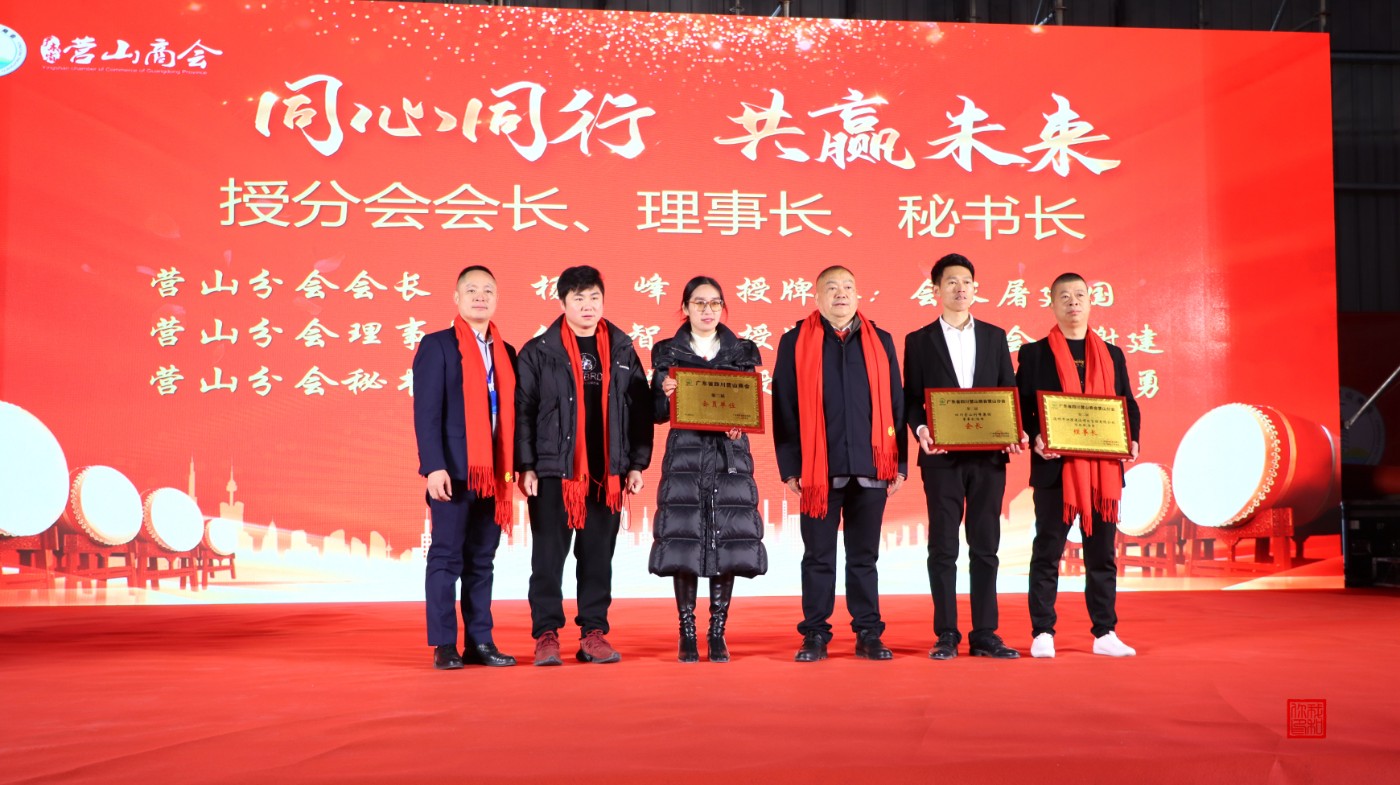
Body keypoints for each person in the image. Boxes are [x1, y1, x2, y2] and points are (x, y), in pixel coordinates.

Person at [516, 265, 654, 666]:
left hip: (605, 473)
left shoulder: (623, 348)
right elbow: (523, 411)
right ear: (562, 302)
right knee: (547, 559)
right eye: (578, 298)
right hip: (553, 472)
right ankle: (546, 634)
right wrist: (526, 466)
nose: (588, 306)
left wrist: (636, 464)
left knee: (597, 558)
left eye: (594, 297)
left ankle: (593, 633)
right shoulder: (539, 351)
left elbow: (640, 411)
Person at [772, 265, 907, 663]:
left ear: (858, 294)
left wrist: (899, 463)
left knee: (864, 557)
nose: (841, 294)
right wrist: (790, 466)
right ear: (816, 297)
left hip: (870, 467)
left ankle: (868, 632)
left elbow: (896, 404)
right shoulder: (795, 341)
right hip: (818, 471)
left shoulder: (880, 341)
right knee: (818, 557)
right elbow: (784, 406)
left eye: (848, 286)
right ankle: (815, 634)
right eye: (831, 288)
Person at [903, 254, 1024, 661]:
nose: (960, 288)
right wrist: (922, 431)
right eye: (951, 281)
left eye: (966, 281)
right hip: (941, 459)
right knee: (943, 548)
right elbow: (911, 399)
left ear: (975, 288)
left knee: (985, 546)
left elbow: (1007, 391)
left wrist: (1014, 431)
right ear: (936, 290)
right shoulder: (919, 341)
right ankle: (947, 633)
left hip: (988, 458)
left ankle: (985, 632)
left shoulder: (994, 336)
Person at [1016, 272, 1142, 658]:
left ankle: (1105, 632)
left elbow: (1127, 404)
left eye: (1079, 296)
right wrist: (1036, 436)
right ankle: (1042, 631)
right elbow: (1021, 406)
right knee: (1047, 551)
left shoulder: (1112, 354)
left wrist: (1132, 438)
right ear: (1052, 303)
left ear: (1090, 301)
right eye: (1064, 296)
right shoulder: (1034, 354)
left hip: (1103, 472)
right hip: (1056, 471)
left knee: (1102, 555)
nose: (1073, 302)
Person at [650, 276, 767, 663]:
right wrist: (663, 394)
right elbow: (655, 413)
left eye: (715, 303)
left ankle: (717, 631)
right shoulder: (666, 352)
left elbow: (748, 408)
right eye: (699, 303)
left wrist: (741, 425)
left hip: (727, 456)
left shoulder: (742, 351)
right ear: (685, 307)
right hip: (684, 455)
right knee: (684, 539)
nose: (707, 310)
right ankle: (686, 631)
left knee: (725, 538)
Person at [412, 265, 518, 670]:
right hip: (453, 473)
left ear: (497, 299)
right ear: (457, 298)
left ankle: (480, 641)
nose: (480, 297)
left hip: (494, 474)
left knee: (482, 560)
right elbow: (426, 413)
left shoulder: (506, 352)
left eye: (487, 290)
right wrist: (433, 467)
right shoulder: (437, 346)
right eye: (471, 290)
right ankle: (444, 644)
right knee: (446, 557)